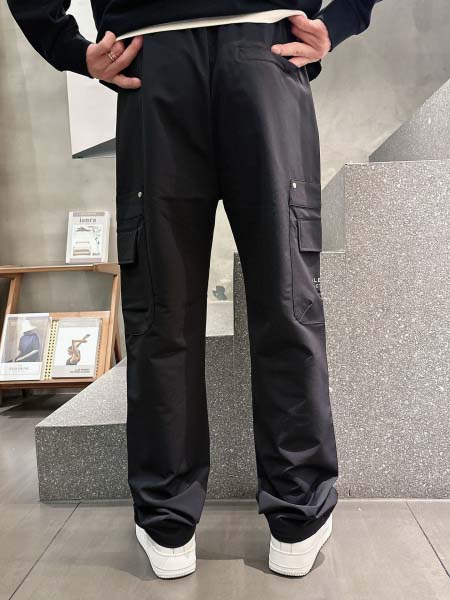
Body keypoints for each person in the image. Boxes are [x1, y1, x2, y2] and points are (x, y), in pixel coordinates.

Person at [6, 0, 381, 580]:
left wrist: (343, 18)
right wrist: (68, 48)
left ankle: (186, 517)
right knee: (254, 302)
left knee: (196, 308)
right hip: (212, 54)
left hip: (208, 53)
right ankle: (274, 513)